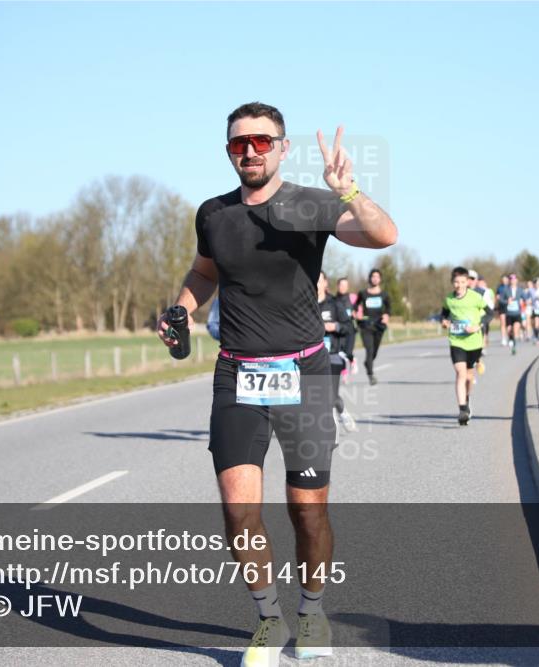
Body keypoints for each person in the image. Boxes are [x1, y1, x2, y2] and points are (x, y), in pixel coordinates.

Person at [157, 102, 397, 666]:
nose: (250, 151)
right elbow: (204, 272)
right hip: (237, 376)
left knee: (307, 512)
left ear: (283, 148)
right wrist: (183, 307)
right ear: (228, 151)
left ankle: (312, 610)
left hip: (305, 375)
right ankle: (269, 619)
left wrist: (348, 190)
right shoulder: (213, 214)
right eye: (239, 143)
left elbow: (384, 234)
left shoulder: (313, 203)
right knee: (238, 512)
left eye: (262, 141)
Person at [441, 267, 493, 424]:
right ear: (452, 282)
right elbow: (444, 313)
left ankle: (467, 398)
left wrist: (478, 326)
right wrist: (444, 321)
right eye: (456, 282)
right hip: (456, 341)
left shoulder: (475, 297)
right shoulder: (449, 299)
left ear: (467, 282)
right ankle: (462, 409)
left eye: (462, 282)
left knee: (469, 377)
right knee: (460, 373)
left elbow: (490, 313)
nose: (459, 285)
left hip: (474, 342)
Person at [318, 271, 357, 432]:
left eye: (319, 280)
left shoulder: (334, 304)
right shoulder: (306, 305)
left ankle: (341, 414)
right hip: (312, 357)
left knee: (331, 394)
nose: (316, 284)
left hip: (333, 355)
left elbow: (349, 327)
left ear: (325, 283)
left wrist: (336, 326)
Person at [355, 269, 391, 385]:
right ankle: (371, 375)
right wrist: (357, 313)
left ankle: (367, 363)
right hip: (366, 326)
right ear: (370, 278)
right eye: (373, 276)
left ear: (380, 279)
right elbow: (355, 305)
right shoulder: (363, 293)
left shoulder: (384, 295)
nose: (375, 279)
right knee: (369, 350)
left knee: (374, 352)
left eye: (377, 277)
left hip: (379, 326)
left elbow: (388, 309)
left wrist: (387, 315)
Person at [334, 277, 357, 381]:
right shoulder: (334, 300)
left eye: (345, 285)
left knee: (347, 352)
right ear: (337, 286)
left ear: (348, 286)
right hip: (339, 330)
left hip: (350, 330)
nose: (343, 287)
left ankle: (352, 360)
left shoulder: (353, 298)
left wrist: (356, 313)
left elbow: (360, 310)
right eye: (341, 285)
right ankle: (344, 373)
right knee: (340, 353)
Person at [502, 273, 524, 355]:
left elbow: (526, 298)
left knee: (515, 330)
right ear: (509, 280)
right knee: (509, 330)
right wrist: (507, 301)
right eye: (511, 279)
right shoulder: (505, 290)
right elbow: (501, 300)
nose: (513, 281)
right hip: (509, 314)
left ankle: (514, 346)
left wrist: (525, 301)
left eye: (514, 279)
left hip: (517, 313)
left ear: (517, 280)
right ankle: (511, 339)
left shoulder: (520, 290)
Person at [495, 274, 511, 347]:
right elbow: (497, 296)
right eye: (503, 279)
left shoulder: (510, 287)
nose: (504, 280)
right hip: (501, 307)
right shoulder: (499, 287)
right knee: (502, 323)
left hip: (509, 307)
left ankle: (510, 337)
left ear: (508, 280)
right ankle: (503, 338)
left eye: (505, 279)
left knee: (509, 324)